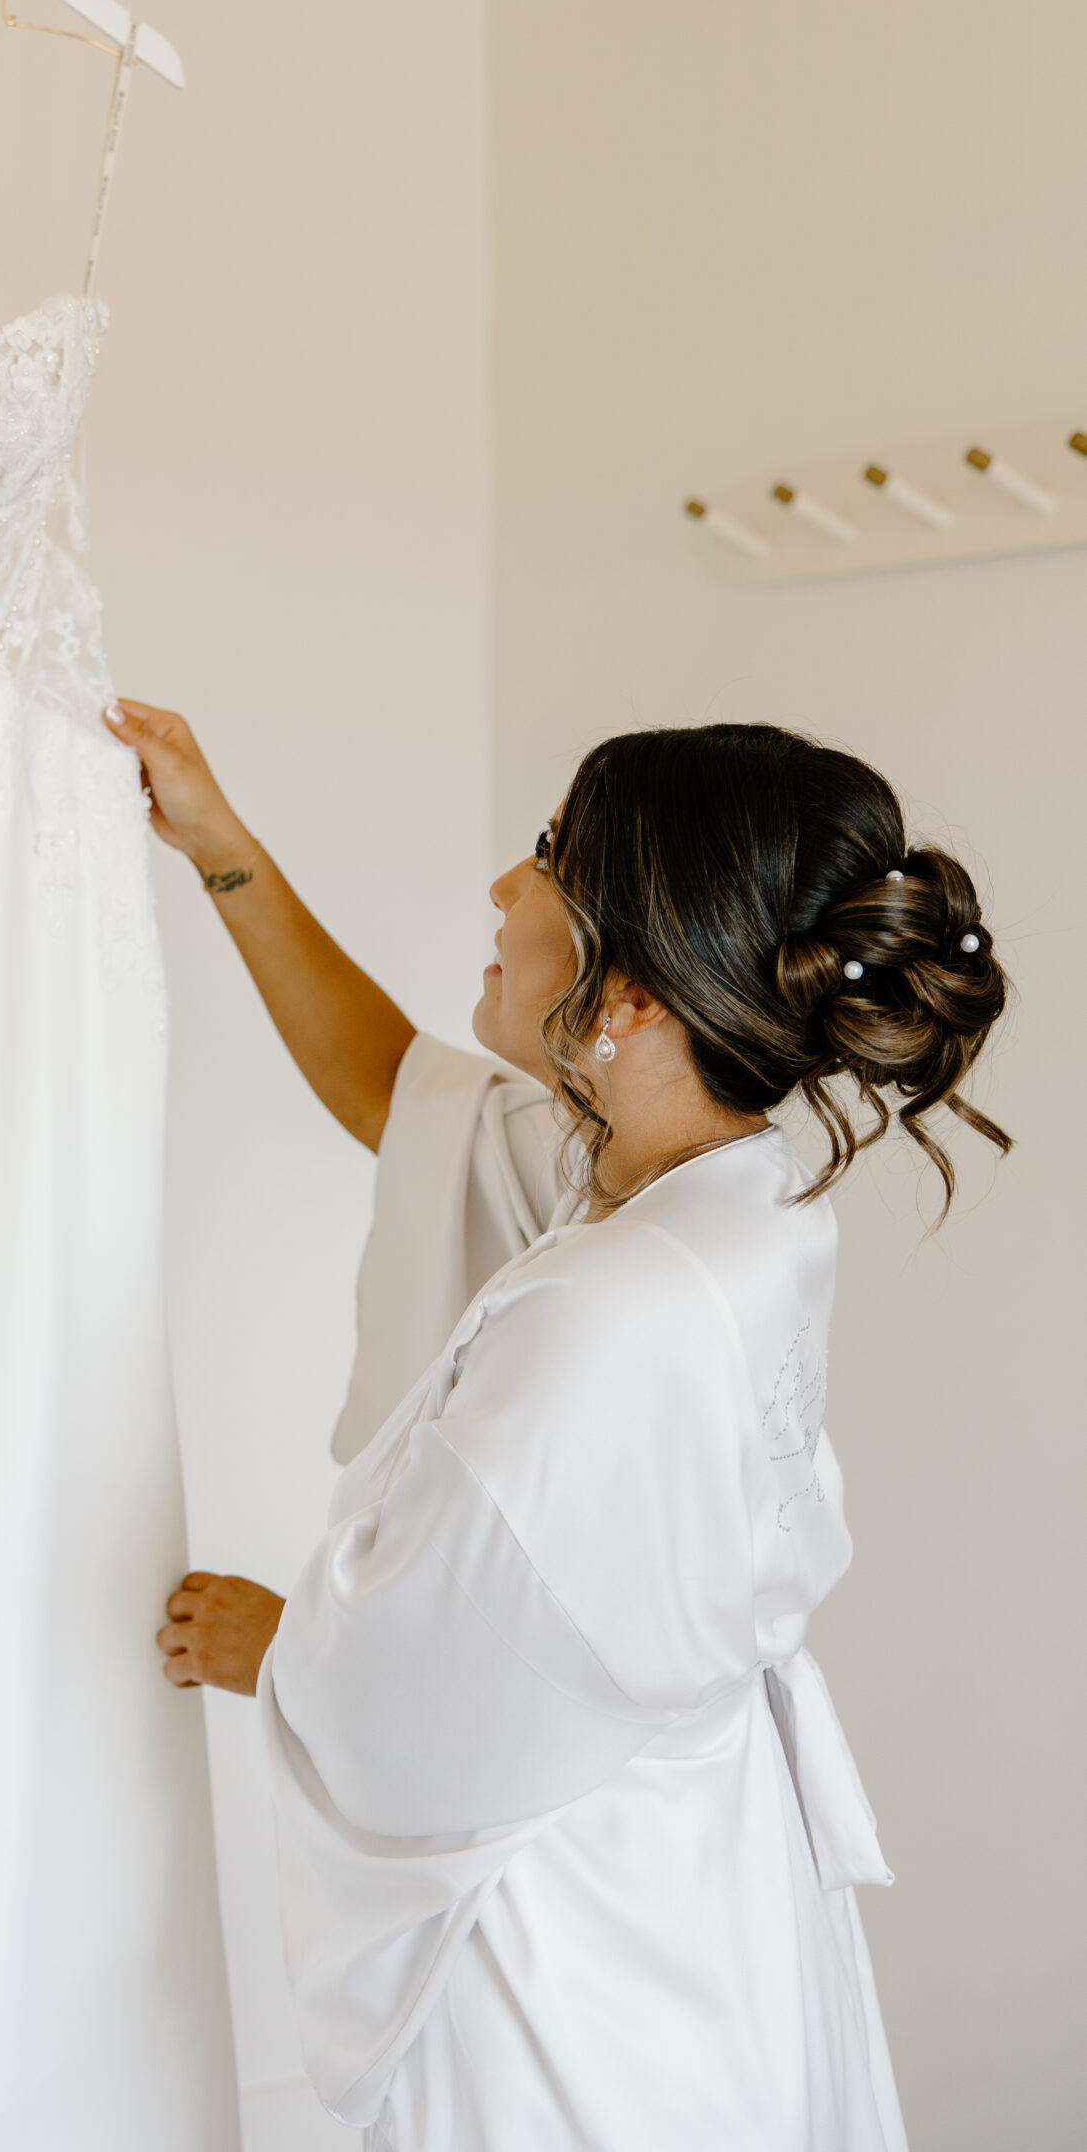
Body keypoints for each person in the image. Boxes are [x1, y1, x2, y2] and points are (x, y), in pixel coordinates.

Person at [103, 701, 1010, 2152]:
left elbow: (433, 1694)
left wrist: (274, 1639)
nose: (503, 890)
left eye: (545, 858)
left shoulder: (614, 1314)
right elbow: (395, 1091)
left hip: (581, 1957)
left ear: (635, 994)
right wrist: (223, 846)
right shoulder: (724, 1188)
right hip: (702, 1885)